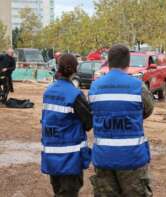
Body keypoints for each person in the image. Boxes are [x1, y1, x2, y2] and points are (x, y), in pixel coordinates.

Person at [89, 44, 154, 196]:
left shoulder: (95, 87)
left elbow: (93, 111)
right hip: (132, 158)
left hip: (103, 157)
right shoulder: (138, 86)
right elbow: (148, 109)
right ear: (128, 62)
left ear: (108, 62)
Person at [41, 53, 92, 197]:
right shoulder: (74, 94)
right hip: (70, 158)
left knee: (58, 191)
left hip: (51, 154)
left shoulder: (48, 92)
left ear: (58, 68)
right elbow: (88, 123)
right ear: (75, 70)